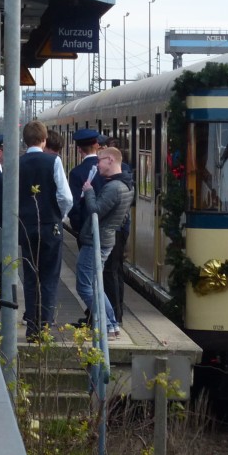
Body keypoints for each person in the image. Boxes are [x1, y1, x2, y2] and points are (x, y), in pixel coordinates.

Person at [17, 120, 73, 340]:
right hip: (50, 227)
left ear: (25, 140)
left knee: (30, 277)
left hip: (26, 227)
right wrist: (59, 216)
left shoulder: (17, 163)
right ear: (44, 139)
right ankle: (45, 327)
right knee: (49, 278)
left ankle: (31, 327)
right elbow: (65, 197)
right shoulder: (53, 161)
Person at [79, 146, 135, 338]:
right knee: (95, 285)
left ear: (110, 160)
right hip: (106, 239)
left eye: (100, 160)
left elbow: (95, 210)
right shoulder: (126, 185)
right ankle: (111, 324)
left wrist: (88, 191)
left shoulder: (114, 188)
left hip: (96, 240)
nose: (98, 165)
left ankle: (108, 325)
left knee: (85, 286)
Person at [68, 129, 112, 331]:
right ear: (97, 145)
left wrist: (78, 228)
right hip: (109, 232)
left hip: (87, 233)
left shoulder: (77, 173)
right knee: (98, 279)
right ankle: (106, 322)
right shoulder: (111, 170)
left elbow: (74, 207)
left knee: (88, 281)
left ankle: (106, 322)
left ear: (79, 149)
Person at [98, 134, 130, 327]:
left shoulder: (116, 182)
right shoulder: (124, 177)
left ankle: (112, 318)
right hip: (119, 229)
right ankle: (115, 315)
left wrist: (89, 193)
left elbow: (97, 209)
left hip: (113, 231)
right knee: (114, 272)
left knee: (109, 272)